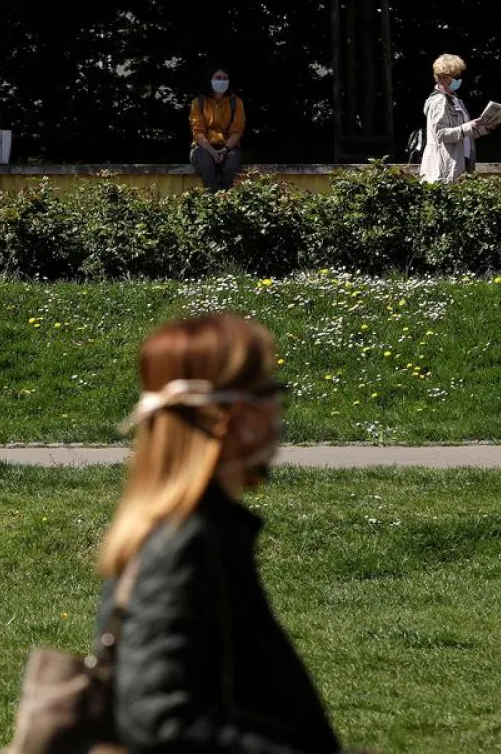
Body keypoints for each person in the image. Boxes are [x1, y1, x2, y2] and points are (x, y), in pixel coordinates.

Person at [95, 313, 342, 754]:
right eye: (269, 393)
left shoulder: (203, 529)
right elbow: (156, 719)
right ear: (230, 416)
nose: (277, 412)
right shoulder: (185, 544)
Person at [419, 54, 492, 184]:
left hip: (461, 162)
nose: (459, 79)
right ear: (442, 77)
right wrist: (468, 127)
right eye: (456, 76)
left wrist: (483, 128)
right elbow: (441, 134)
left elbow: (462, 133)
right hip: (445, 169)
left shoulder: (455, 100)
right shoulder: (439, 101)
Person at [189, 68, 246, 192]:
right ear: (210, 80)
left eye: (225, 78)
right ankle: (214, 199)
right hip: (204, 147)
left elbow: (237, 132)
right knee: (206, 166)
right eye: (218, 78)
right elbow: (198, 132)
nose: (222, 81)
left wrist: (225, 150)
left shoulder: (236, 102)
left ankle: (225, 199)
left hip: (228, 147)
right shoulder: (198, 102)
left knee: (231, 167)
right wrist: (212, 152)